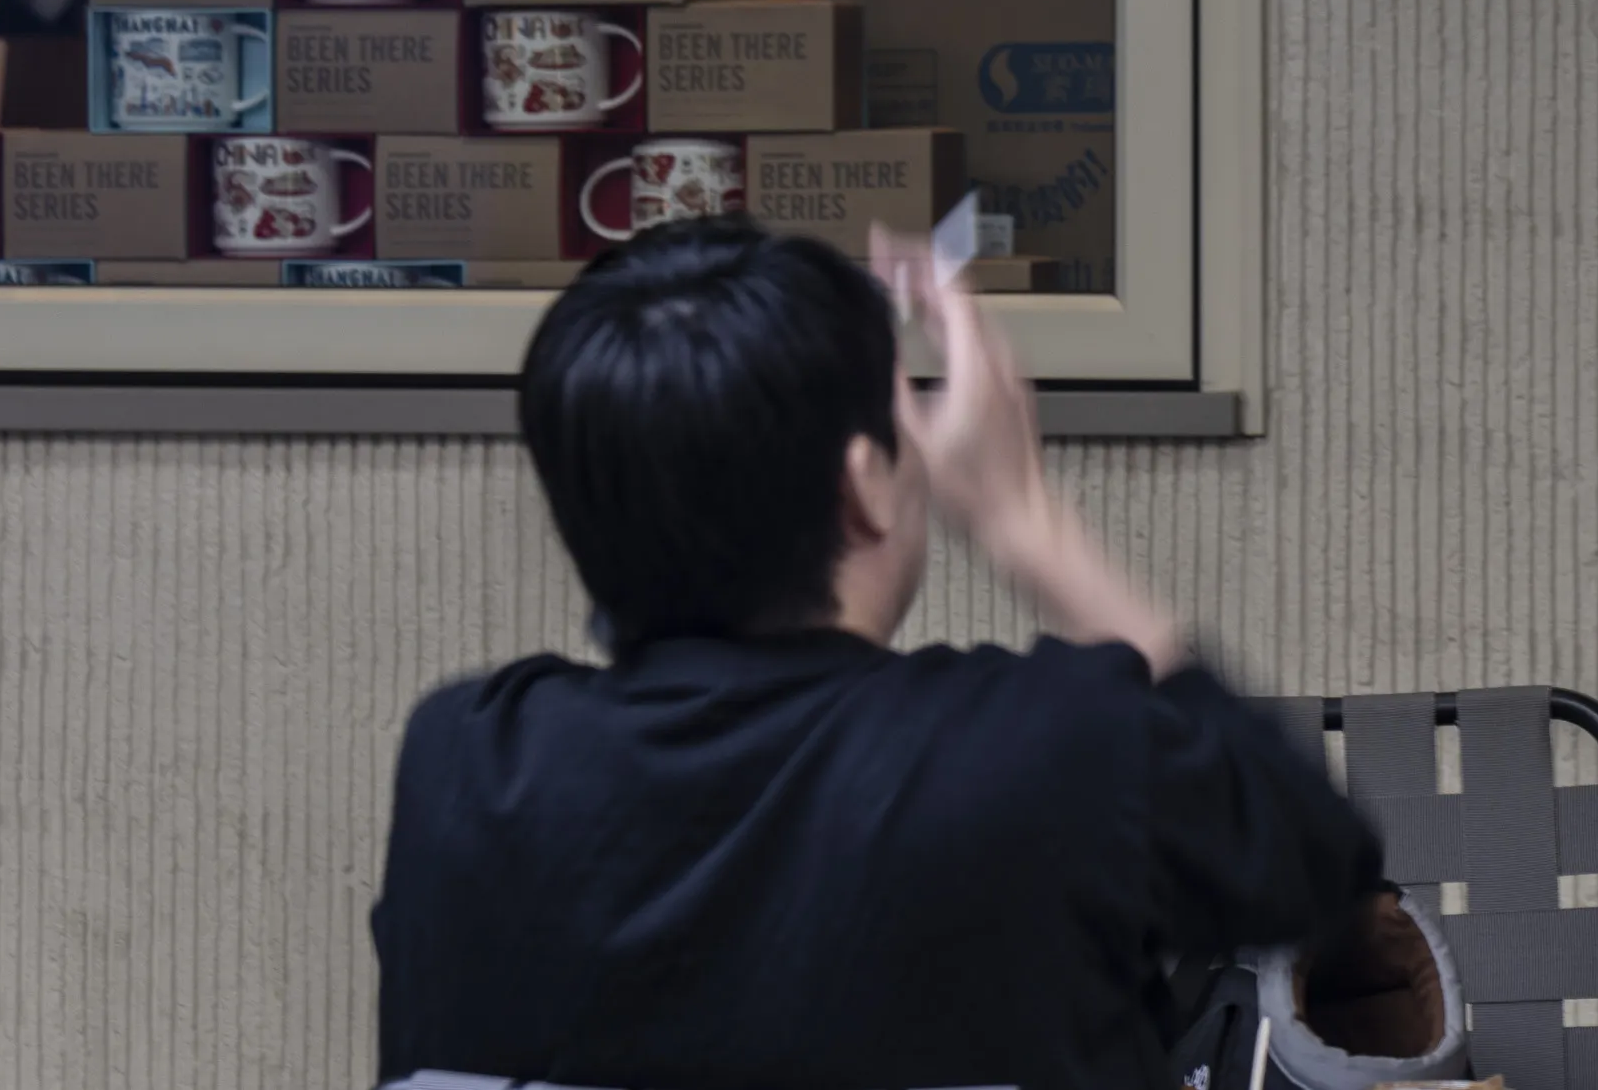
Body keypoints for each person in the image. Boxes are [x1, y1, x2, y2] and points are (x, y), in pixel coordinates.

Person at [369, 219, 1382, 1090]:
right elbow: (1313, 861)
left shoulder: (463, 764)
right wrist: (1026, 521)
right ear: (862, 486)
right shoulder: (1049, 750)